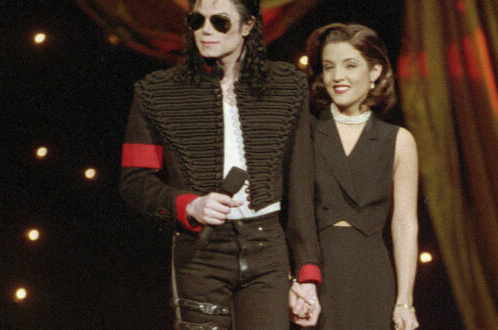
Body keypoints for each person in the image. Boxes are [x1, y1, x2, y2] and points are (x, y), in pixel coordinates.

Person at [119, 0, 321, 329]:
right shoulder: (157, 92)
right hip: (201, 254)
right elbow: (135, 182)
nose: (206, 30)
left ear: (248, 26)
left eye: (220, 22)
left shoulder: (286, 87)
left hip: (266, 247)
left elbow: (300, 185)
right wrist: (190, 204)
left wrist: (307, 272)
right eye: (197, 21)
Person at [291, 23, 420, 330]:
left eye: (350, 65)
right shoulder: (304, 132)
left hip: (370, 274)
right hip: (315, 275)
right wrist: (293, 280)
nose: (338, 77)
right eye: (329, 67)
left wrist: (404, 300)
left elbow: (404, 223)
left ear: (375, 71)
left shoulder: (398, 140)